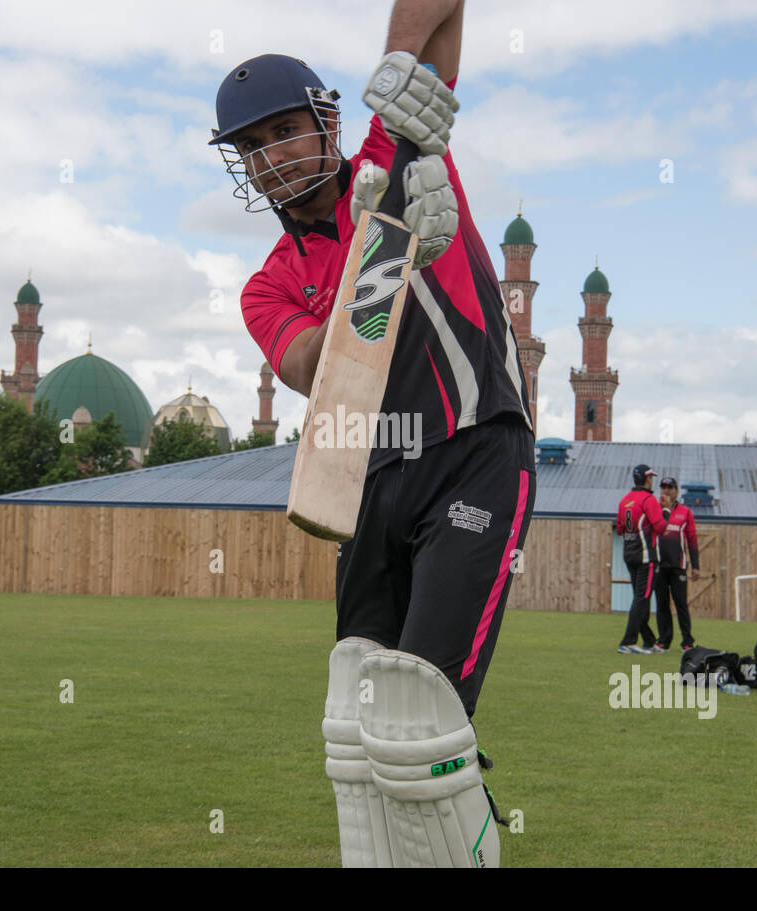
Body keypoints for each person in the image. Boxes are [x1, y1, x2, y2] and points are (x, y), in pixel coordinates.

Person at [210, 0, 535, 867]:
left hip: (473, 448)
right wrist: (382, 260)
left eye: (283, 129)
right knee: (359, 719)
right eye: (252, 145)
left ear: (326, 120)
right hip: (365, 481)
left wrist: (397, 64)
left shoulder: (404, 154)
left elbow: (442, 17)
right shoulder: (268, 282)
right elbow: (309, 367)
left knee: (419, 706)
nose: (271, 154)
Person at [616, 465, 667, 654]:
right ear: (646, 479)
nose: (651, 480)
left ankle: (648, 641)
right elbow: (661, 527)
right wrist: (666, 511)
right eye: (650, 477)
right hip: (646, 556)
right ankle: (628, 641)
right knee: (642, 598)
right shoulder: (648, 500)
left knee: (640, 598)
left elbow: (620, 528)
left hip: (629, 554)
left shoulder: (625, 500)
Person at [654, 477, 700, 652]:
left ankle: (687, 642)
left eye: (670, 487)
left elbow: (692, 540)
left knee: (681, 604)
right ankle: (664, 642)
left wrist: (695, 566)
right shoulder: (654, 510)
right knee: (662, 604)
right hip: (659, 564)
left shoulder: (685, 512)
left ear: (676, 490)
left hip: (678, 565)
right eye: (663, 487)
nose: (666, 490)